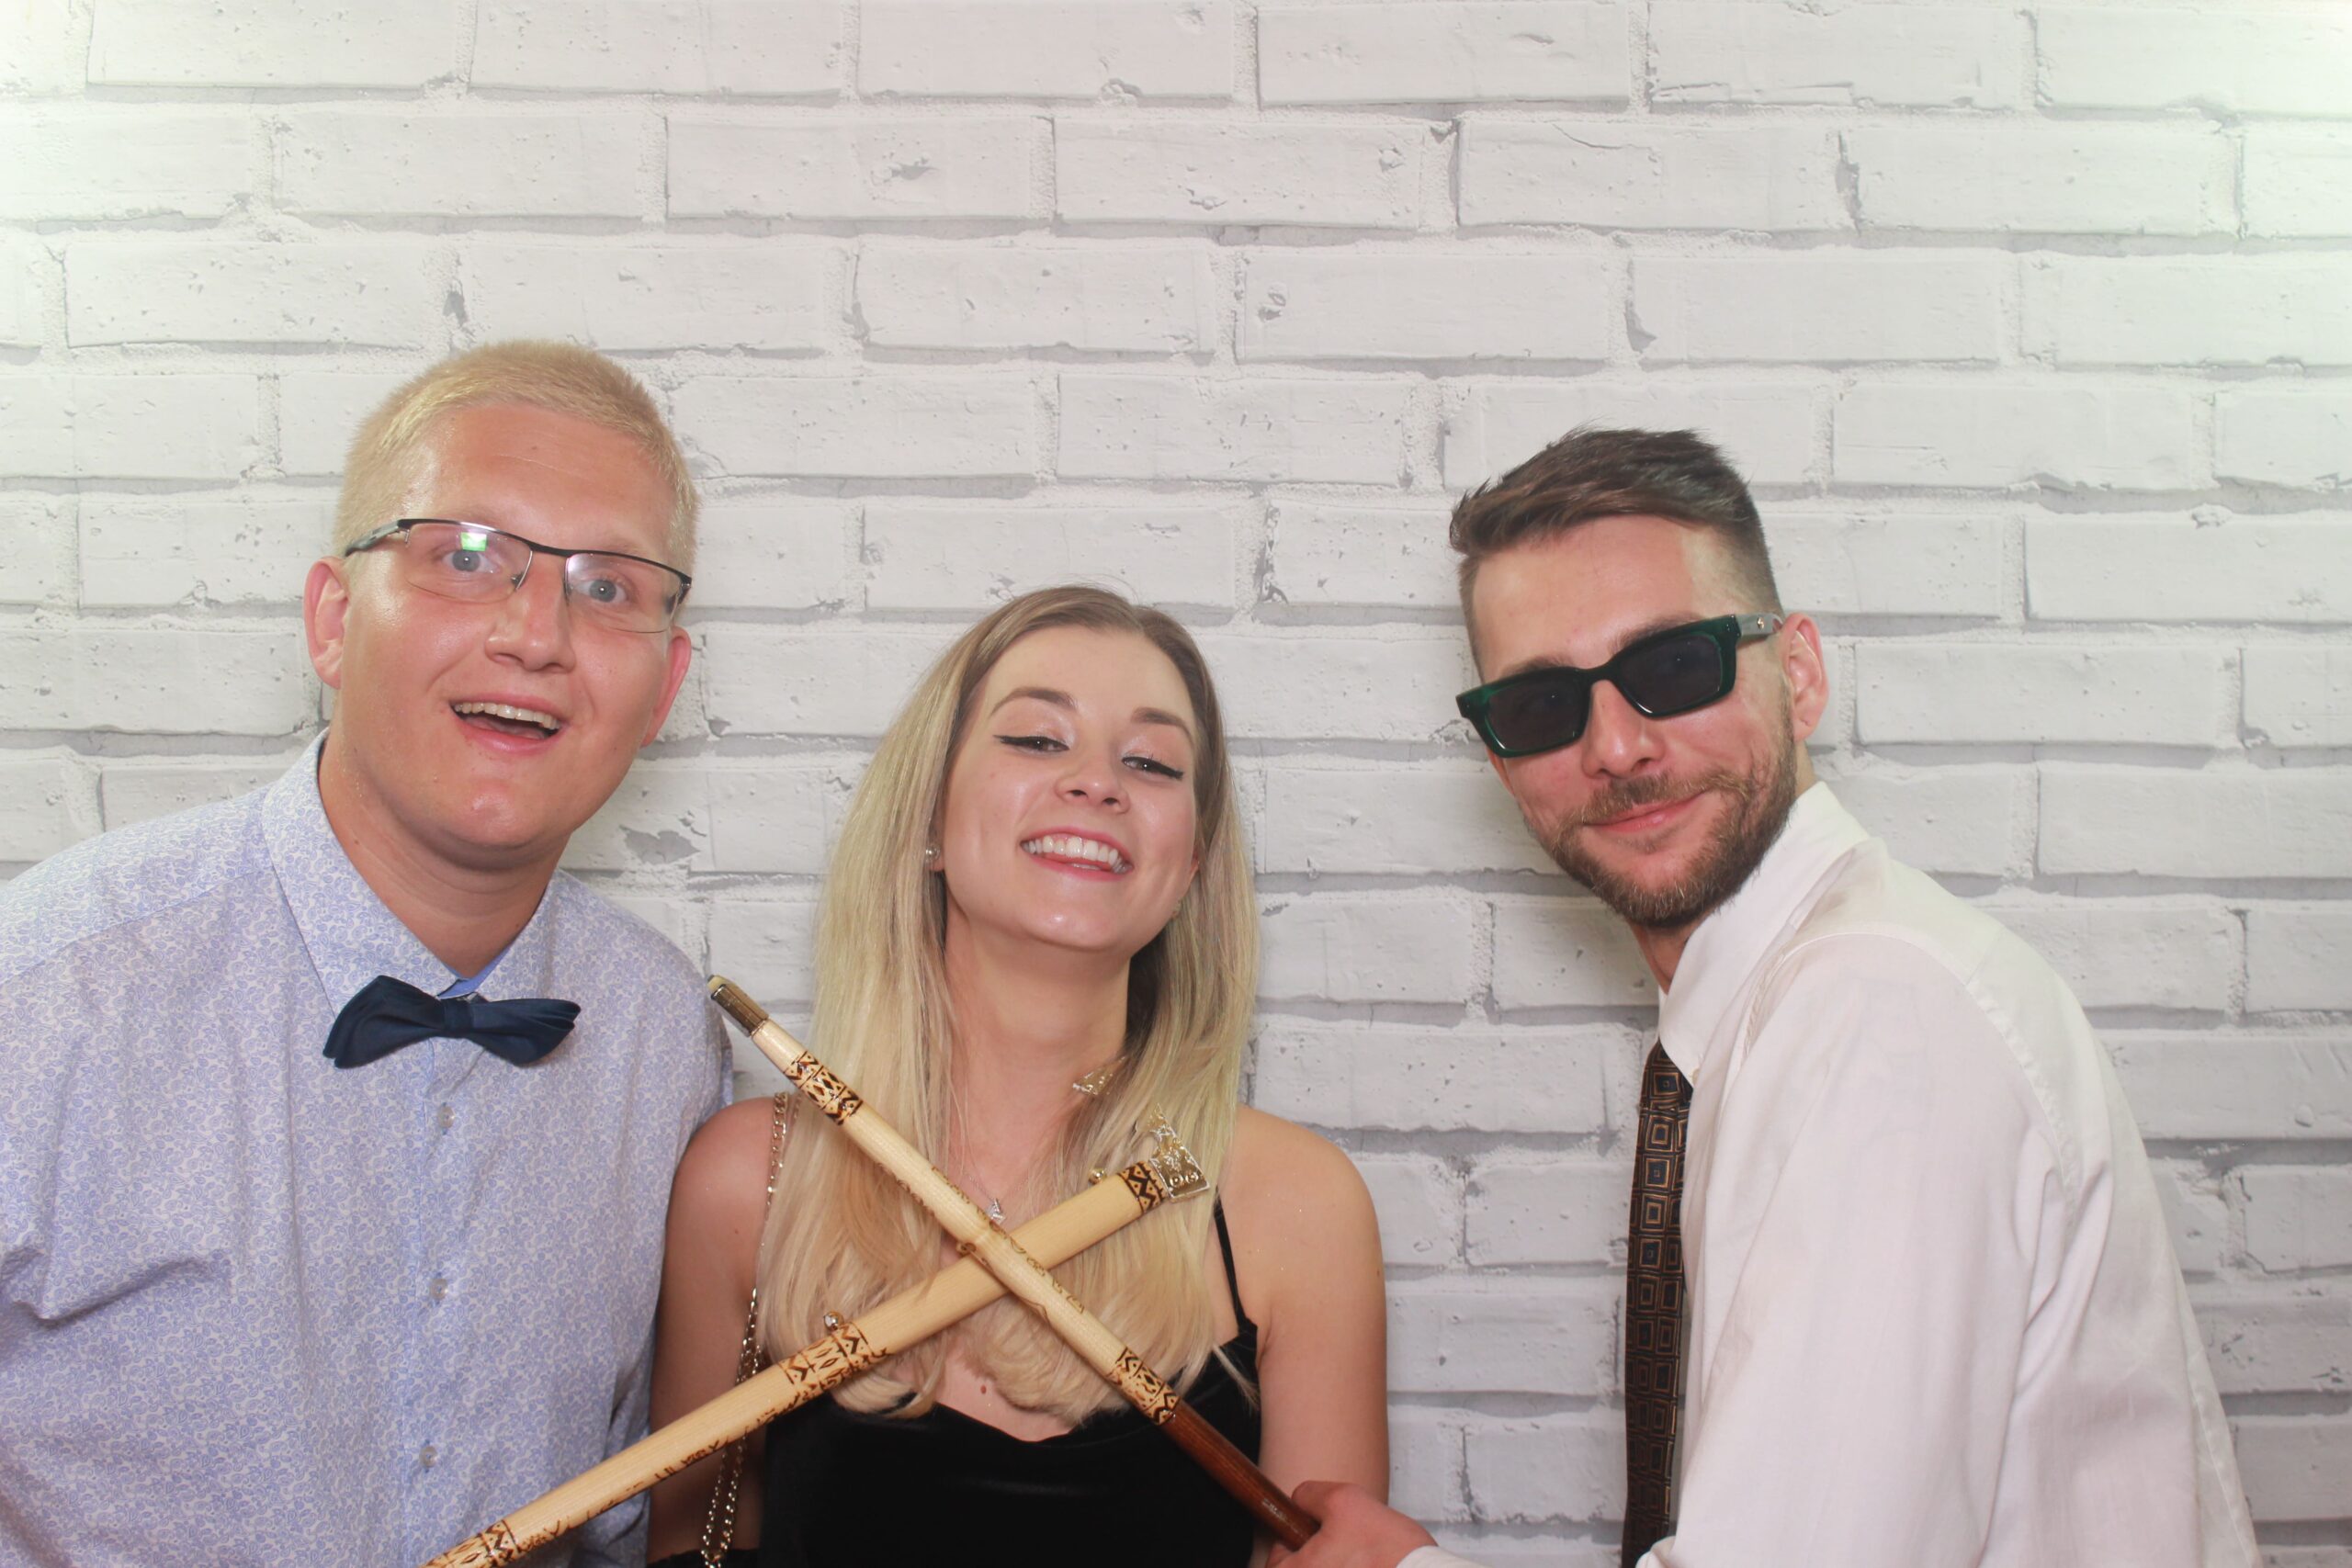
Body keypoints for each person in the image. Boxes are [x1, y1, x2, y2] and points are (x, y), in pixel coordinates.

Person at [1284, 428, 2258, 1568]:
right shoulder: (1795, 1003)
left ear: (1796, 674)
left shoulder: (1872, 1017)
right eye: (1543, 705)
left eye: (1672, 668)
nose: (1615, 748)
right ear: (1501, 760)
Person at [0, 341, 729, 1567]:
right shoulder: (48, 991)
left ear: (665, 689)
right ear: (334, 622)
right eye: (467, 557)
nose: (536, 633)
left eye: (608, 586)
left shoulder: (664, 1035)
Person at [643, 585, 1389, 1567]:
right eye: (1038, 740)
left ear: (1192, 865)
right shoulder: (752, 1179)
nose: (1098, 782)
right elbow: (691, 1547)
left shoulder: (1297, 1205)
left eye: (1152, 762)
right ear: (929, 817)